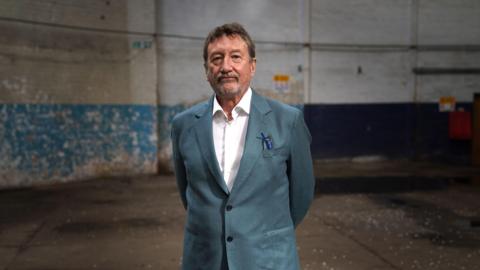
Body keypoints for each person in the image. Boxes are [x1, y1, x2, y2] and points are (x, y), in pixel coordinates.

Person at [171, 22, 315, 270]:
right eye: (216, 59)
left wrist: (264, 233)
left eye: (236, 57)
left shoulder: (287, 121)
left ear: (252, 66)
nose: (226, 66)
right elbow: (188, 193)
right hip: (205, 259)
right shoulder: (184, 125)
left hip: (268, 260)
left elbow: (301, 194)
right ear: (207, 70)